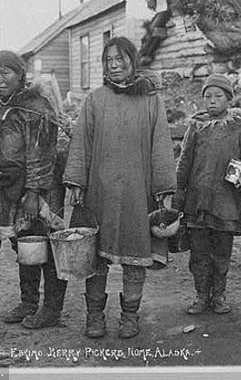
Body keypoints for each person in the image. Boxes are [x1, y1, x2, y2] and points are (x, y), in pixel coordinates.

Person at [63, 36, 176, 340]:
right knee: (95, 256)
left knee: (135, 253)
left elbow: (161, 147)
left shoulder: (151, 100)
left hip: (138, 192)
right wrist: (76, 181)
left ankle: (129, 316)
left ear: (132, 61)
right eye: (108, 61)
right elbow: (81, 144)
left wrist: (164, 187)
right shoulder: (95, 100)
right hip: (99, 191)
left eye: (120, 59)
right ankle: (95, 316)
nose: (114, 66)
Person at [0, 50, 67, 329]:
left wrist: (33, 193)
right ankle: (28, 302)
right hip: (10, 188)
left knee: (46, 247)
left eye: (5, 72)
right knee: (24, 246)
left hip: (39, 190)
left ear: (20, 75)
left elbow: (41, 152)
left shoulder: (36, 107)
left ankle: (51, 310)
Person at [173, 74, 241, 315]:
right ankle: (201, 296)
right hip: (197, 202)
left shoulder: (239, 127)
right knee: (198, 252)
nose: (212, 101)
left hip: (226, 203)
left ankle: (218, 296)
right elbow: (184, 162)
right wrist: (179, 195)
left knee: (221, 252)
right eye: (207, 96)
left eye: (218, 96)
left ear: (229, 99)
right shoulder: (195, 126)